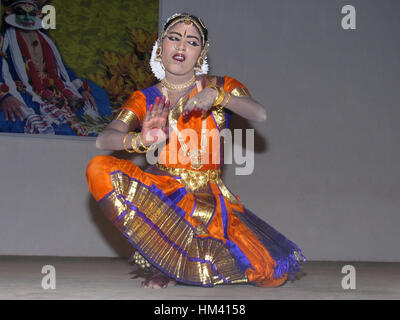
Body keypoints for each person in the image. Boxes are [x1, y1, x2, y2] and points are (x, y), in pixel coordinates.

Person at [86, 13, 306, 289]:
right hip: (163, 190)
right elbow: (104, 139)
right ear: (160, 47)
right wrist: (140, 139)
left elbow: (259, 113)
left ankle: (191, 265)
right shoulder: (145, 98)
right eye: (174, 38)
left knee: (272, 275)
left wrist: (219, 97)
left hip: (209, 198)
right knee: (99, 169)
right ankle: (168, 264)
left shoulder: (220, 85)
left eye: (191, 42)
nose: (181, 47)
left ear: (201, 54)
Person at [0, 0, 111, 135]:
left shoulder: (47, 41)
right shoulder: (3, 40)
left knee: (96, 97)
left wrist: (81, 89)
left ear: (37, 15)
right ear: (10, 13)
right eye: (22, 13)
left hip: (56, 89)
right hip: (25, 93)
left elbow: (63, 71)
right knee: (15, 116)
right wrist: (5, 97)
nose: (28, 18)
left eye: (32, 13)